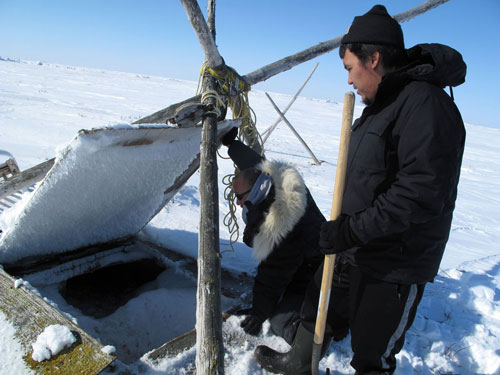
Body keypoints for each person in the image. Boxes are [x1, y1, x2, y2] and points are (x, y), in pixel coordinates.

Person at [254, 4, 466, 375]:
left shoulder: (426, 106)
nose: (349, 81)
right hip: (355, 247)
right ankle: (301, 363)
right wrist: (345, 232)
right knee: (318, 307)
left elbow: (420, 193)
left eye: (350, 68)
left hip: (394, 261)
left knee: (371, 350)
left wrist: (351, 230)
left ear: (374, 59)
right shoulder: (383, 105)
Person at [222, 129, 331, 345]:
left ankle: (311, 343)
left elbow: (272, 274)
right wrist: (232, 145)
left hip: (318, 271)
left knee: (280, 318)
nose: (237, 203)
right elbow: (255, 163)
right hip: (311, 255)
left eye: (239, 197)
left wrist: (258, 313)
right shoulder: (277, 181)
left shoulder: (281, 225)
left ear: (254, 193)